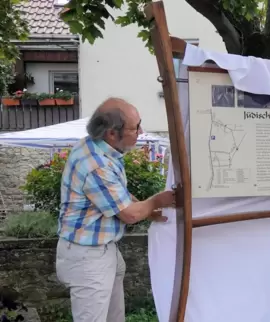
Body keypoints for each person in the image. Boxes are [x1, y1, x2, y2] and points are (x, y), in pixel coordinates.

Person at [55, 97, 176, 322]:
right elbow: (128, 214)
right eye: (135, 127)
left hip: (100, 250)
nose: (140, 131)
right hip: (88, 257)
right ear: (112, 133)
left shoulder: (95, 147)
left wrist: (148, 210)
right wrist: (158, 200)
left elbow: (116, 194)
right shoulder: (96, 165)